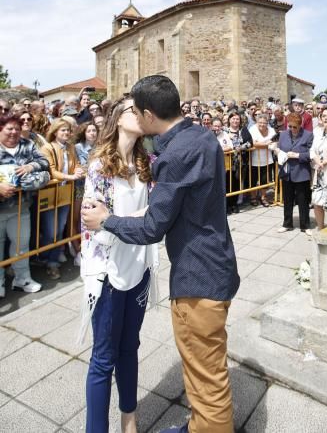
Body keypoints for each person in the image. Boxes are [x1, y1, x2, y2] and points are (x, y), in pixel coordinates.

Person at [82, 75, 240, 433]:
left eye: (137, 110)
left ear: (149, 114)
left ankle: (207, 426)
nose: (135, 117)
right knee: (202, 368)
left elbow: (153, 225)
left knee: (205, 376)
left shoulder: (169, 157)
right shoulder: (200, 135)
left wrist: (109, 219)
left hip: (196, 276)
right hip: (196, 264)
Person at [79, 96, 158, 433]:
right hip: (107, 272)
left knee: (130, 347)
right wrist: (138, 219)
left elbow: (155, 213)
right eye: (133, 110)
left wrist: (126, 220)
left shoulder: (145, 163)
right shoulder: (100, 165)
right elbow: (93, 224)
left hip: (138, 266)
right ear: (117, 118)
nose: (140, 114)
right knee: (103, 357)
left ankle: (129, 418)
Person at [0, 113, 50, 297]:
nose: (14, 132)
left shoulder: (26, 145)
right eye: (9, 128)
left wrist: (31, 167)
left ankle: (22, 278)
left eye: (17, 129)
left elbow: (45, 162)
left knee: (21, 244)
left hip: (21, 207)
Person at [41, 119, 85, 279]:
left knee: (59, 228)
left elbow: (77, 164)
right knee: (50, 230)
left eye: (67, 130)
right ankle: (46, 257)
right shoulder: (47, 148)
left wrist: (78, 171)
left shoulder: (70, 147)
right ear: (55, 132)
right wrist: (71, 176)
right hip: (50, 193)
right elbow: (51, 170)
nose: (66, 133)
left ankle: (52, 262)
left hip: (65, 192)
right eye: (62, 130)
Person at [276, 112, 313, 235]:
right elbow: (280, 149)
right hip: (287, 172)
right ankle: (287, 224)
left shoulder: (308, 135)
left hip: (301, 172)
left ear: (300, 125)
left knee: (303, 201)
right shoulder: (283, 135)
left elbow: (311, 155)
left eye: (295, 127)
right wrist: (277, 152)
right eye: (290, 126)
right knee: (287, 200)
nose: (292, 129)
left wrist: (298, 155)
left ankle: (305, 225)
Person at [71, 121, 99, 265]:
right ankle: (76, 249)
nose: (92, 133)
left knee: (90, 218)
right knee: (76, 218)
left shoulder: (100, 147)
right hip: (80, 187)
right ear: (84, 133)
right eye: (89, 131)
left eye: (94, 130)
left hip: (96, 188)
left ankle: (90, 248)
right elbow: (76, 166)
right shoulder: (78, 148)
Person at [310, 107, 327, 230]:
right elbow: (311, 149)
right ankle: (320, 228)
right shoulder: (317, 132)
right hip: (319, 173)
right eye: (323, 115)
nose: (325, 118)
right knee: (316, 202)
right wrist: (316, 159)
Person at [249, 112, 276, 207]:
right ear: (257, 121)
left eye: (264, 122)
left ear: (267, 122)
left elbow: (275, 141)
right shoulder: (252, 129)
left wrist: (261, 143)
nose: (262, 124)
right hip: (254, 159)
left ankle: (263, 197)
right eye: (260, 122)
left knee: (265, 180)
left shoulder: (271, 130)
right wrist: (267, 143)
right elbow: (253, 143)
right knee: (253, 179)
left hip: (268, 159)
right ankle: (253, 197)